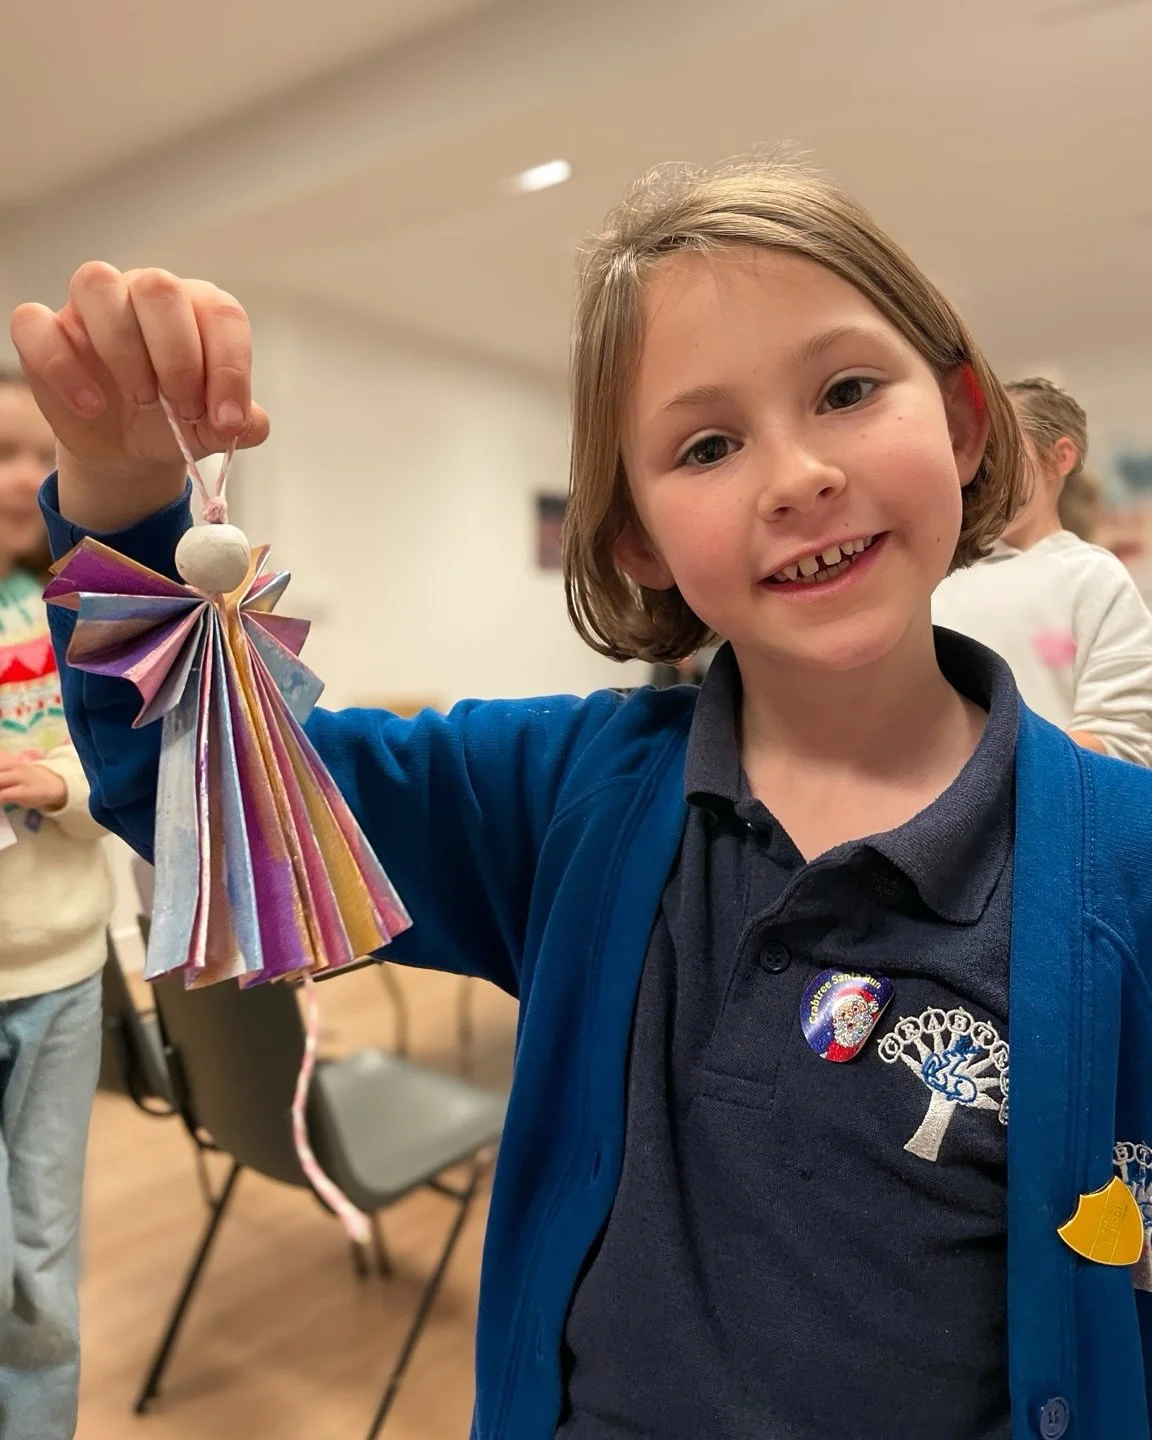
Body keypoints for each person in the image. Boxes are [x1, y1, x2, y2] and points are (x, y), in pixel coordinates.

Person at [13, 157, 1152, 1440]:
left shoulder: (1125, 864)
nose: (795, 476)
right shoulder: (564, 795)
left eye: (844, 389)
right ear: (638, 541)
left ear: (958, 420)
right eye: (708, 444)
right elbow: (214, 799)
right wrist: (121, 490)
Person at [0, 370, 113, 1440]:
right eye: (2, 454)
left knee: (40, 1262)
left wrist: (66, 785)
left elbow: (126, 766)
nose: (26, 478)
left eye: (43, 455)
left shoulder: (83, 607)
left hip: (64, 973)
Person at [933, 376, 1152, 764]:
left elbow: (1123, 740)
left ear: (1058, 459)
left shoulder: (1093, 576)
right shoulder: (938, 583)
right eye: (970, 452)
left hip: (1056, 813)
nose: (981, 473)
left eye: (999, 451)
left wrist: (993, 774)